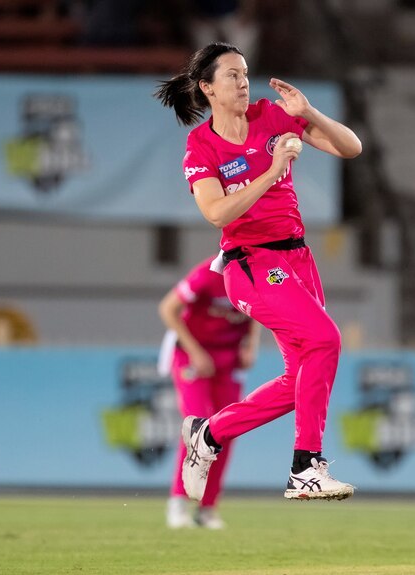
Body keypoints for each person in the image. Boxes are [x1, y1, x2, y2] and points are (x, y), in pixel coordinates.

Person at [154, 42, 362, 501]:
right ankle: (305, 467)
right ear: (207, 88)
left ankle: (208, 436)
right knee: (326, 340)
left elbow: (350, 147)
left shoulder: (273, 116)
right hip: (251, 263)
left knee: (297, 382)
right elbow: (217, 213)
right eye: (231, 75)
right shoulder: (201, 145)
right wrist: (272, 170)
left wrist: (311, 113)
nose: (243, 82)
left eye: (245, 73)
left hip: (298, 258)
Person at [158, 255, 260, 529]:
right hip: (194, 354)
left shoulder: (257, 274)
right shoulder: (206, 274)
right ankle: (178, 502)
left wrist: (251, 345)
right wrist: (195, 352)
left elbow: (258, 312)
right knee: (197, 426)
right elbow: (168, 309)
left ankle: (207, 508)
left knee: (226, 429)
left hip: (228, 360)